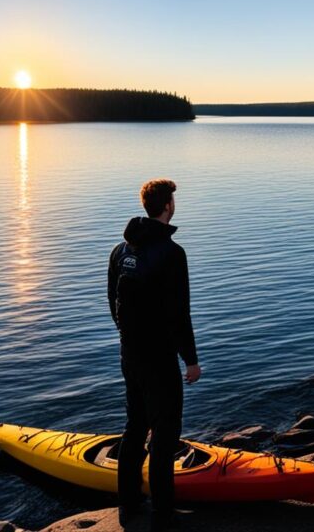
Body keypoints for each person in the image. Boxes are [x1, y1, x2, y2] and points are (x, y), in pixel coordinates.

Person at [108, 178, 201, 531]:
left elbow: (112, 302)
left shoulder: (120, 250)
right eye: (173, 200)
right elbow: (179, 312)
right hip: (160, 357)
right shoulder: (172, 253)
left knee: (135, 425)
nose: (174, 204)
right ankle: (163, 512)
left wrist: (127, 337)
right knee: (165, 431)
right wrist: (190, 360)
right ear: (167, 206)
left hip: (129, 353)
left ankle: (128, 504)